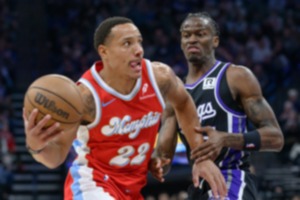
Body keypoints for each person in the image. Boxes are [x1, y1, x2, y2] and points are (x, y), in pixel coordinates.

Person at [23, 16, 227, 200]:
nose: (138, 50)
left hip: (132, 190)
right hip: (92, 185)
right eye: (127, 43)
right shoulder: (85, 97)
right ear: (104, 52)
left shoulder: (159, 77)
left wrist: (201, 156)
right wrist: (36, 145)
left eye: (139, 42)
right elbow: (55, 157)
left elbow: (183, 104)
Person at [150, 12, 284, 200]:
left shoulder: (236, 76)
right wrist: (153, 162)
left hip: (232, 177)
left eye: (200, 34)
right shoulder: (175, 97)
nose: (192, 40)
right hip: (198, 184)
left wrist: (226, 139)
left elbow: (276, 138)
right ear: (181, 43)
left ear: (215, 41)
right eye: (186, 35)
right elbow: (164, 158)